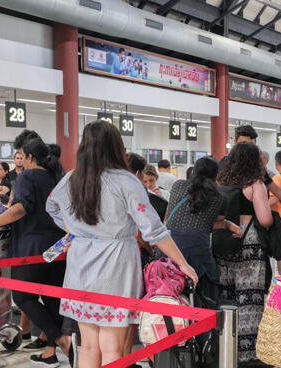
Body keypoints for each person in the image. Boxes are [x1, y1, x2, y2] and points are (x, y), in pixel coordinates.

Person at [46, 121, 198, 368]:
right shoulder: (125, 181)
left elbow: (51, 206)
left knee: (88, 347)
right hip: (116, 266)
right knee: (113, 347)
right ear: (115, 146)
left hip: (79, 264)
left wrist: (74, 229)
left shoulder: (71, 178)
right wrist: (183, 264)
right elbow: (154, 230)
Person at [0, 138, 71, 367]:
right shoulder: (56, 176)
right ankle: (50, 351)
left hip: (32, 247)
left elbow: (21, 208)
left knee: (23, 296)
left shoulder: (28, 176)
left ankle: (61, 341)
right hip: (57, 247)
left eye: (20, 154)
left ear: (29, 157)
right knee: (51, 297)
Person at [215, 142, 274, 363]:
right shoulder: (255, 185)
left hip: (224, 241)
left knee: (227, 296)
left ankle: (225, 346)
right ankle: (248, 353)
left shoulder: (222, 182)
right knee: (249, 298)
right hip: (248, 244)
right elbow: (265, 219)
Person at [162, 157, 241, 303]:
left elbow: (172, 216)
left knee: (168, 292)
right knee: (206, 290)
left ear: (193, 171)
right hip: (197, 250)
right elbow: (210, 222)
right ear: (216, 175)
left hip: (168, 246)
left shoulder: (178, 185)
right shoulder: (221, 197)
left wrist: (226, 224)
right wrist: (227, 224)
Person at [234, 125, 281, 208]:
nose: (247, 148)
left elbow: (276, 190)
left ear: (255, 144)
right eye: (243, 144)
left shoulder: (257, 168)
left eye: (250, 144)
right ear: (235, 143)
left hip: (254, 215)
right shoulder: (225, 165)